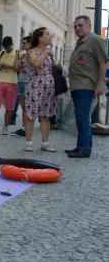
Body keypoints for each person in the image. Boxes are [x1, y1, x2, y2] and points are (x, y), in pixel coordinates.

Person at [67, 15, 108, 158]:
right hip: (77, 86)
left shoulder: (95, 39)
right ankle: (81, 146)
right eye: (75, 26)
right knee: (81, 117)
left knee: (82, 117)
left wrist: (101, 83)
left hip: (87, 85)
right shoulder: (80, 42)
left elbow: (104, 63)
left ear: (89, 26)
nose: (77, 28)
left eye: (80, 25)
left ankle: (84, 149)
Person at [24, 27, 57, 153]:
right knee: (30, 114)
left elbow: (52, 68)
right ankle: (28, 142)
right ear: (40, 38)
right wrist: (45, 53)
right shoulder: (32, 51)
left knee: (46, 115)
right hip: (35, 84)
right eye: (47, 34)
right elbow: (36, 64)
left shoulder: (48, 53)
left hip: (48, 85)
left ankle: (45, 142)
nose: (50, 36)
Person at [12, 36, 32, 136]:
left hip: (28, 83)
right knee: (24, 107)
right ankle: (24, 128)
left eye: (24, 42)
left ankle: (26, 128)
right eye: (22, 42)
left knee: (27, 107)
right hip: (21, 82)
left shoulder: (33, 54)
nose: (23, 44)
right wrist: (17, 56)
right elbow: (16, 67)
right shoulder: (23, 55)